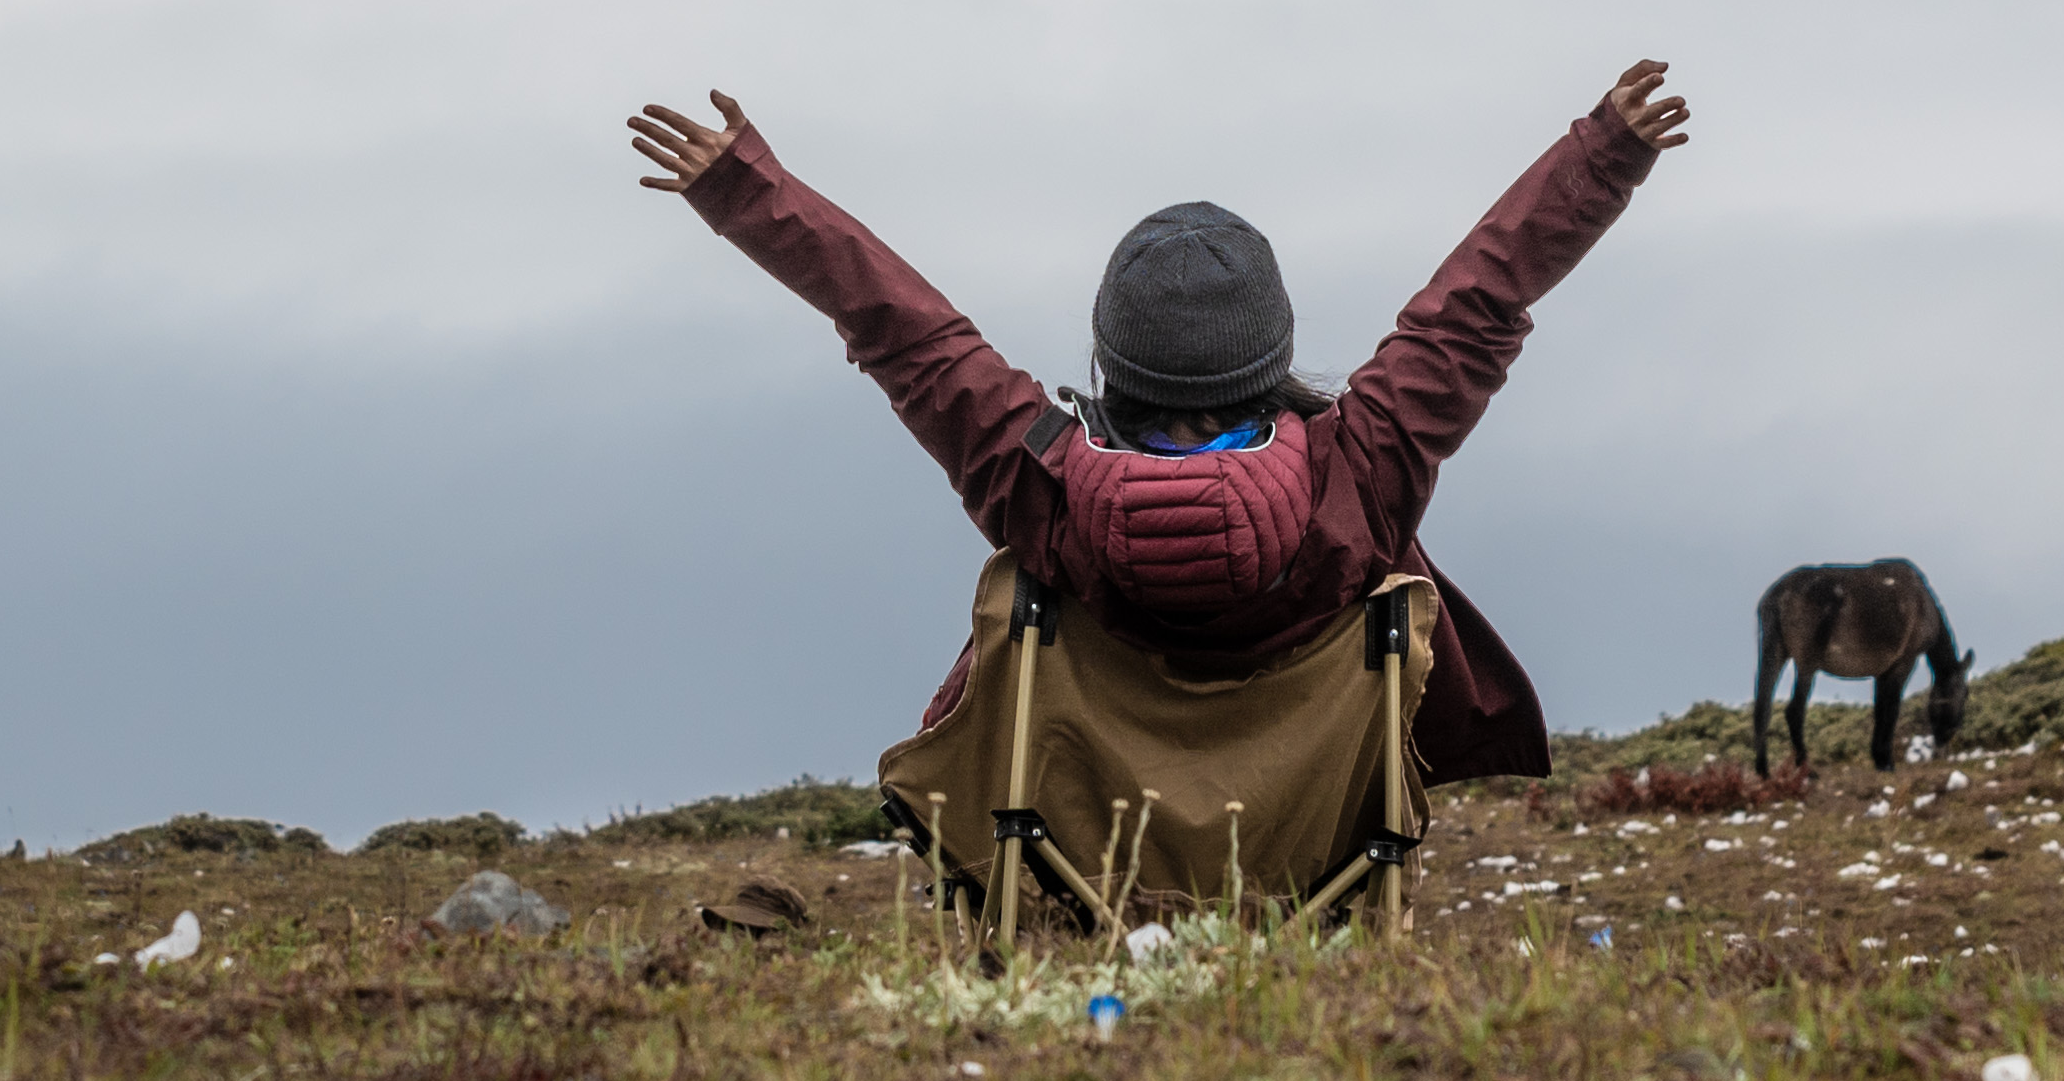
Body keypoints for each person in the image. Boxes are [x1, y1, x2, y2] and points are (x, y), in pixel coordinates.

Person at [623, 63, 1689, 780]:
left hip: (1097, 842)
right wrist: (1602, 154)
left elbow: (902, 330)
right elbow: (1480, 302)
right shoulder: (1361, 475)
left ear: (1112, 366)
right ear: (1271, 354)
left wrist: (745, 189)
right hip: (1320, 840)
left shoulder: (1034, 482)